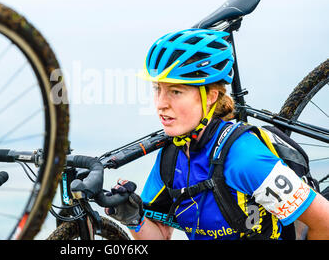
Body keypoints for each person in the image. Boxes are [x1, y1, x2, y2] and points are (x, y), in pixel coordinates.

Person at [105, 28, 329, 240]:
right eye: (157, 89)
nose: (161, 104)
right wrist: (134, 219)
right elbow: (162, 234)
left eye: (175, 91)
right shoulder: (171, 157)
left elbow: (324, 222)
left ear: (211, 96)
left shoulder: (245, 158)